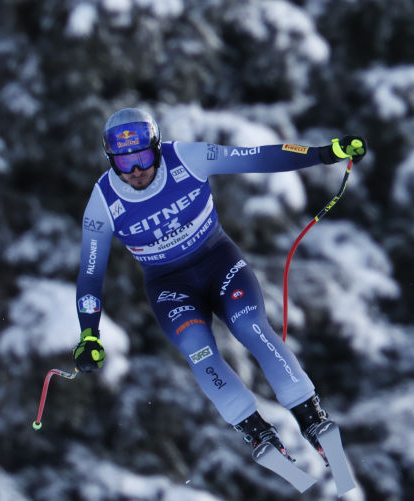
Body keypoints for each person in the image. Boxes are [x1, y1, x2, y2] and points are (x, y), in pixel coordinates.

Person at [72, 107, 366, 475]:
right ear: (110, 160)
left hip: (218, 261)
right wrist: (89, 333)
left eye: (143, 157)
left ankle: (312, 418)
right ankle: (257, 433)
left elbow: (258, 158)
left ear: (157, 148)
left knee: (249, 325)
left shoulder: (188, 158)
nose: (135, 171)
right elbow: (90, 272)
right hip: (169, 286)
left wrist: (322, 154)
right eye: (124, 162)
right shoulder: (102, 202)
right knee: (198, 348)